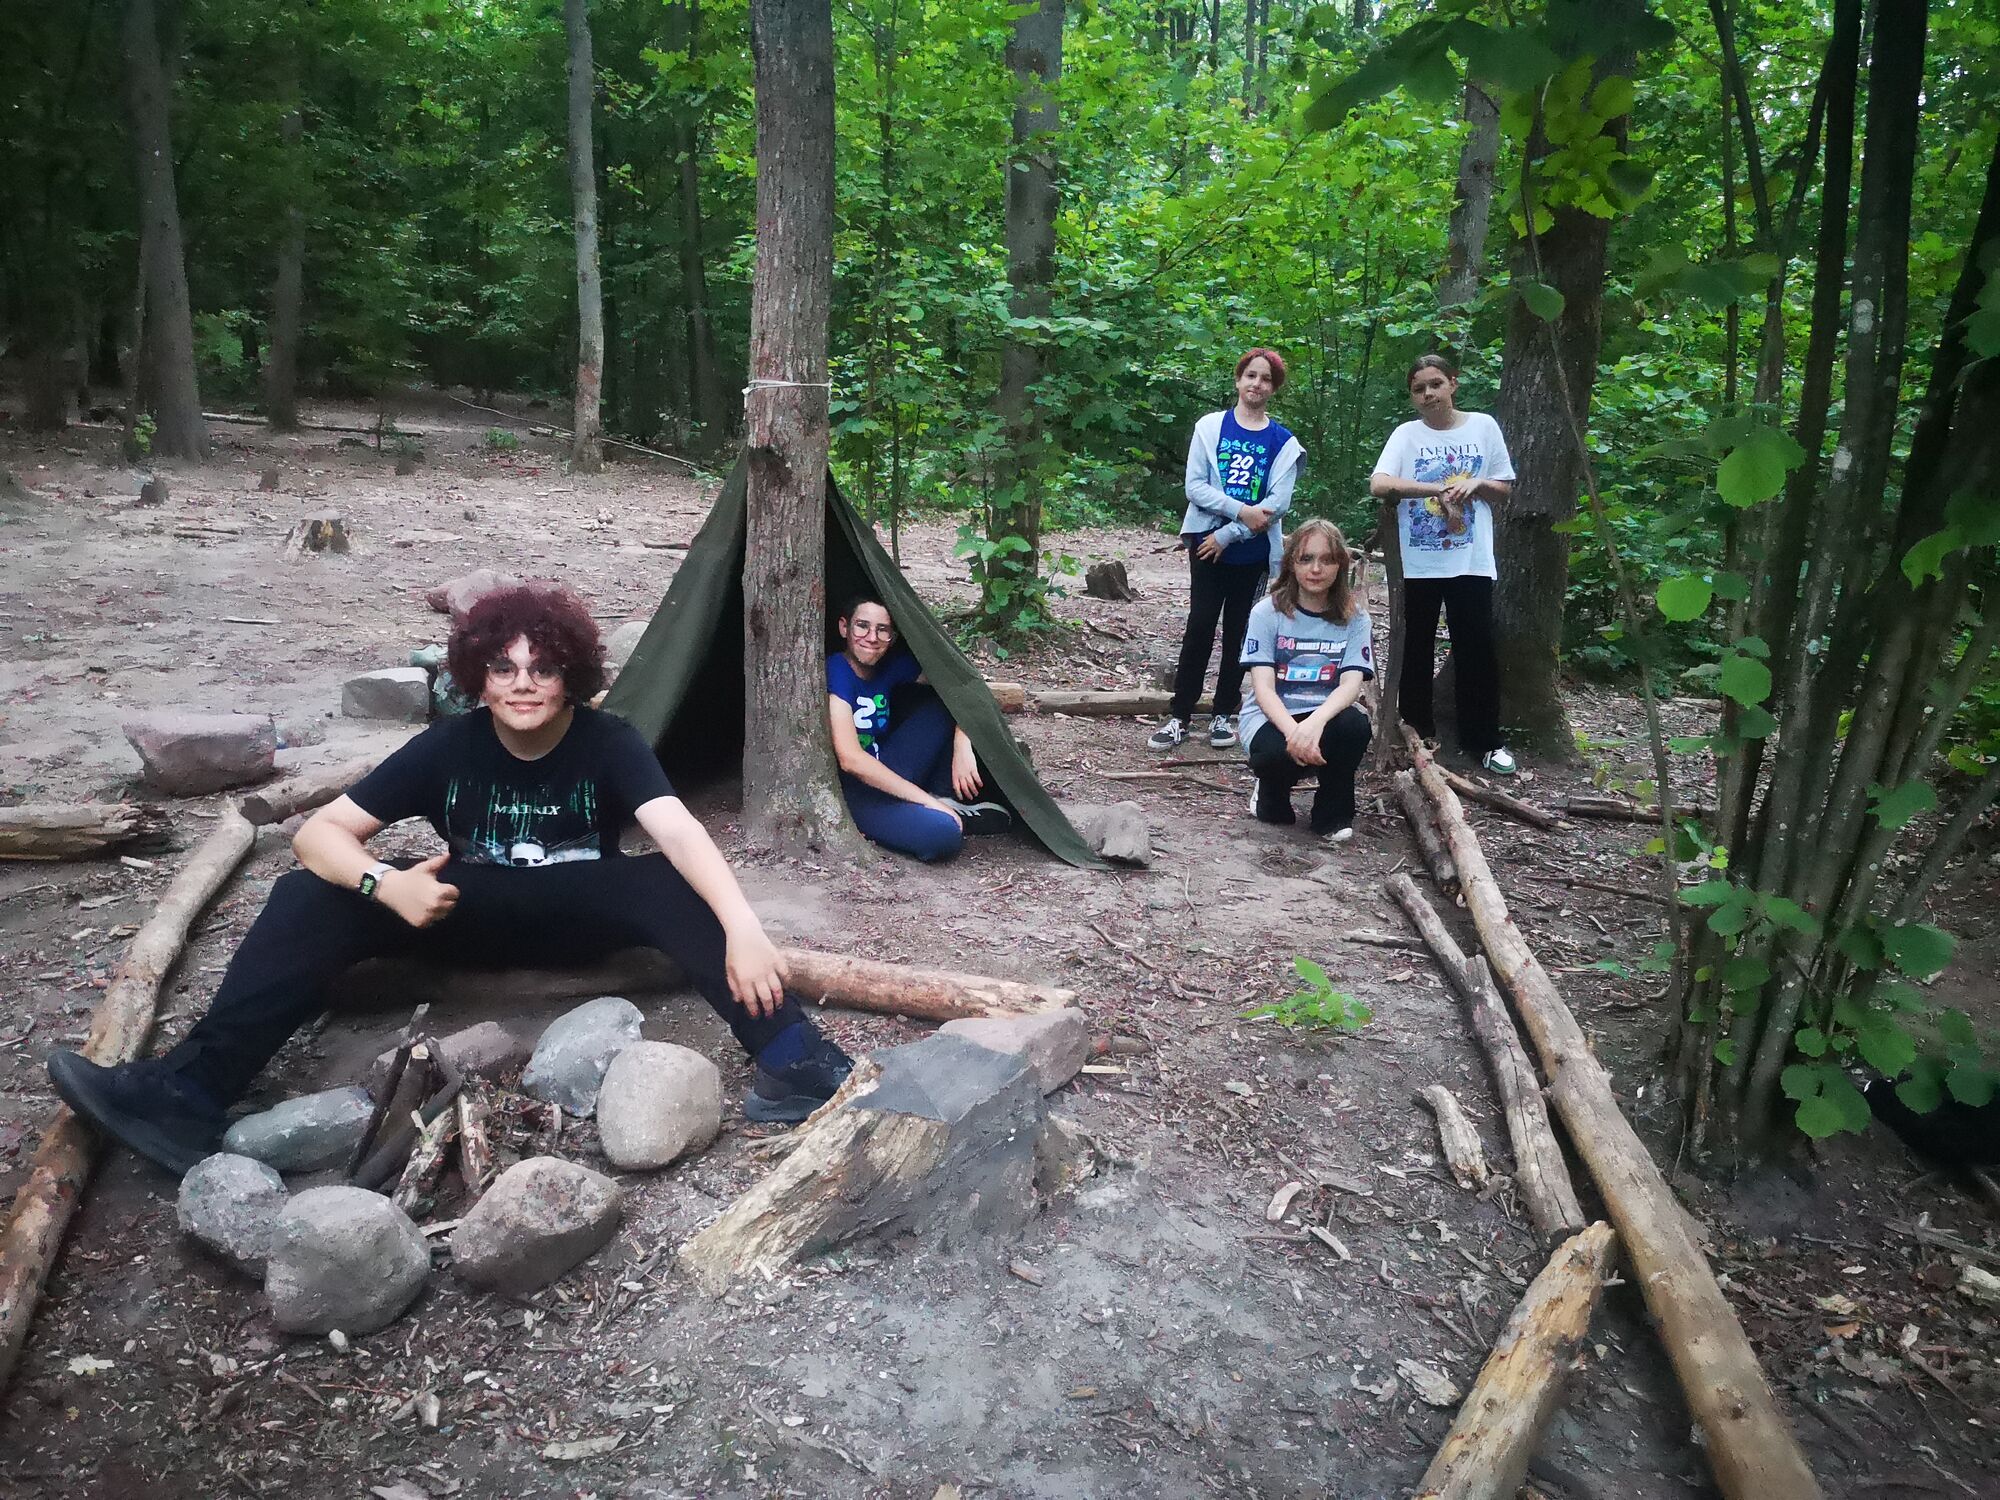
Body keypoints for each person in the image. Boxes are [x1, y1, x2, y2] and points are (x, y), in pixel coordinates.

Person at [49, 585, 855, 1175]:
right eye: (503, 667)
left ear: (571, 675)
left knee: (670, 884)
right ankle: (189, 1095)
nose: (523, 683)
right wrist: (385, 886)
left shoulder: (609, 741)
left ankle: (798, 1063)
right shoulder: (449, 747)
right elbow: (321, 835)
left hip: (583, 912)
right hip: (464, 910)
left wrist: (744, 928)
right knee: (307, 894)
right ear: (478, 676)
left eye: (543, 668)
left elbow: (677, 829)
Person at [1149, 348, 1306, 752]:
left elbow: (1277, 504)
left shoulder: (1283, 443)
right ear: (1238, 380)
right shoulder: (1210, 427)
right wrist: (1237, 514)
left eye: (1266, 379)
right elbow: (1195, 487)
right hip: (1206, 545)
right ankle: (1180, 716)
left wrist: (1231, 534)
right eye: (1251, 375)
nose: (1257, 384)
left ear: (1273, 389)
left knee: (1240, 631)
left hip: (1252, 553)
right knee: (1200, 625)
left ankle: (1223, 714)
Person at [1369, 353, 1519, 775]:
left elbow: (1504, 487)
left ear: (1453, 383)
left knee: (1476, 647)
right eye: (1419, 388)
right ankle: (1418, 732)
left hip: (1471, 559)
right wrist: (1435, 488)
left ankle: (1485, 740)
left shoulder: (1482, 427)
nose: (1429, 394)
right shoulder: (1406, 435)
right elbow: (1380, 483)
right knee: (1414, 645)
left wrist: (1477, 482)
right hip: (1419, 561)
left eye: (1435, 384)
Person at [827, 595, 1011, 862]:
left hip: (890, 764)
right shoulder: (837, 670)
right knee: (943, 835)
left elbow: (959, 684)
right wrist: (925, 800)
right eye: (862, 626)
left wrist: (962, 742)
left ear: (892, 637)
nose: (872, 637)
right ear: (844, 628)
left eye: (882, 629)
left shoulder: (889, 665)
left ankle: (943, 796)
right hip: (857, 794)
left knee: (942, 704)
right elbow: (851, 759)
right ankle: (937, 811)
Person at [1240, 520, 1374, 841]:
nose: (1316, 569)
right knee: (1274, 776)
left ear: (1340, 565)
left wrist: (1315, 722)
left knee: (1355, 726)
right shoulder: (1266, 613)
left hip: (1324, 716)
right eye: (1306, 558)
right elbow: (1263, 689)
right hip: (1272, 719)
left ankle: (1332, 813)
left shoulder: (1356, 619)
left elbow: (1351, 685)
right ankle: (1270, 792)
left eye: (1326, 559)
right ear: (1291, 563)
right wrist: (1295, 732)